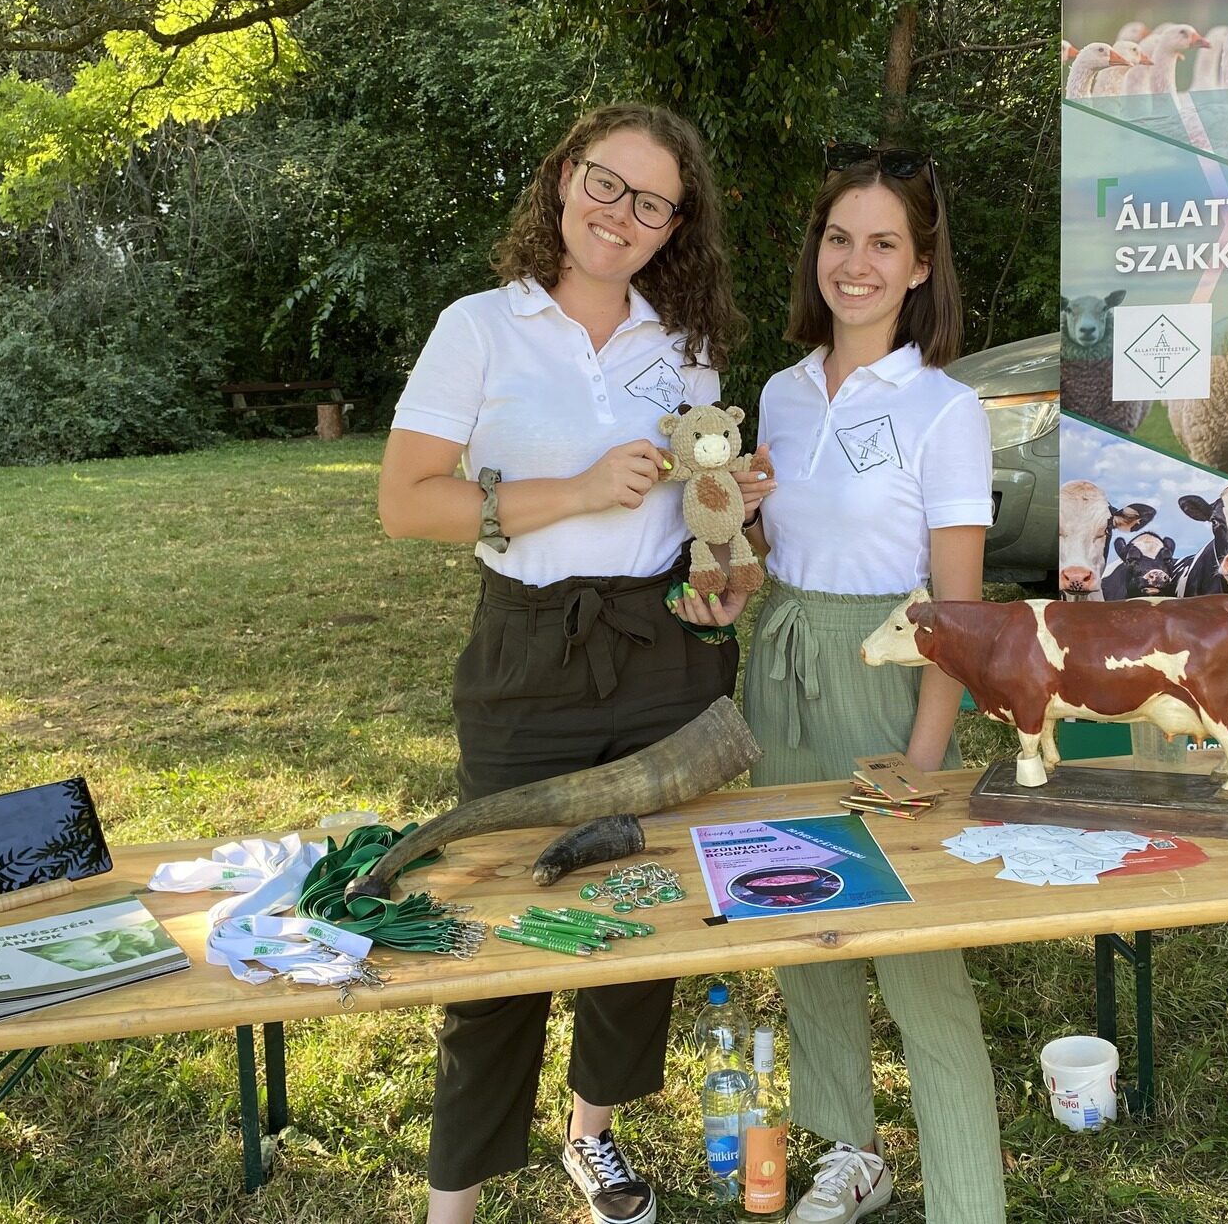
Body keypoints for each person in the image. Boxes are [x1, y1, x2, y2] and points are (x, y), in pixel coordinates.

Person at [378, 102, 766, 1224]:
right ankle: (454, 1195)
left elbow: (704, 516)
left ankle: (591, 1137)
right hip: (526, 651)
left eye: (652, 203)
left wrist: (734, 529)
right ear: (560, 180)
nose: (621, 216)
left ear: (673, 225)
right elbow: (406, 504)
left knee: (641, 898)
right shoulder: (478, 327)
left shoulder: (683, 343)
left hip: (668, 650)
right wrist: (577, 491)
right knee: (493, 904)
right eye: (606, 184)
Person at [678, 144, 1005, 1223]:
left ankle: (966, 1196)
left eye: (881, 243)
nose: (852, 263)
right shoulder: (774, 391)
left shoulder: (945, 409)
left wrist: (921, 759)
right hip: (777, 669)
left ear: (919, 267)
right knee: (798, 911)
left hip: (887, 674)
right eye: (836, 237)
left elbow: (953, 615)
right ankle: (847, 1149)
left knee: (916, 954)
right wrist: (741, 540)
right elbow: (767, 551)